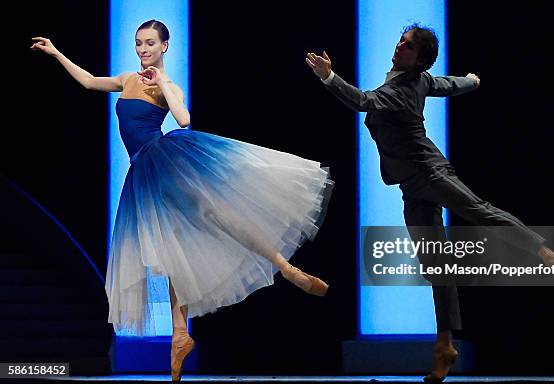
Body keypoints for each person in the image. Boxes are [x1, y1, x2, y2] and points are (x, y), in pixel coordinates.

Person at [32, 19, 333, 381]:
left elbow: (184, 118)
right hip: (143, 172)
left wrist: (162, 84)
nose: (142, 50)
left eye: (149, 44)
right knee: (174, 247)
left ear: (164, 47)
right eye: (138, 43)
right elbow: (90, 81)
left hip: (165, 161)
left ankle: (285, 268)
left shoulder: (165, 85)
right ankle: (180, 335)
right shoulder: (128, 79)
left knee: (215, 215)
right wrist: (56, 53)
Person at [306, 23, 554, 383]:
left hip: (431, 173)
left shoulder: (402, 91)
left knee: (478, 210)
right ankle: (445, 346)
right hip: (411, 186)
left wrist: (329, 77)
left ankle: (548, 255)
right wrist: (471, 80)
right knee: (436, 265)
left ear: (418, 59)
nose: (398, 46)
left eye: (407, 46)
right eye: (401, 41)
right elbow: (445, 84)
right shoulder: (416, 80)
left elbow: (362, 101)